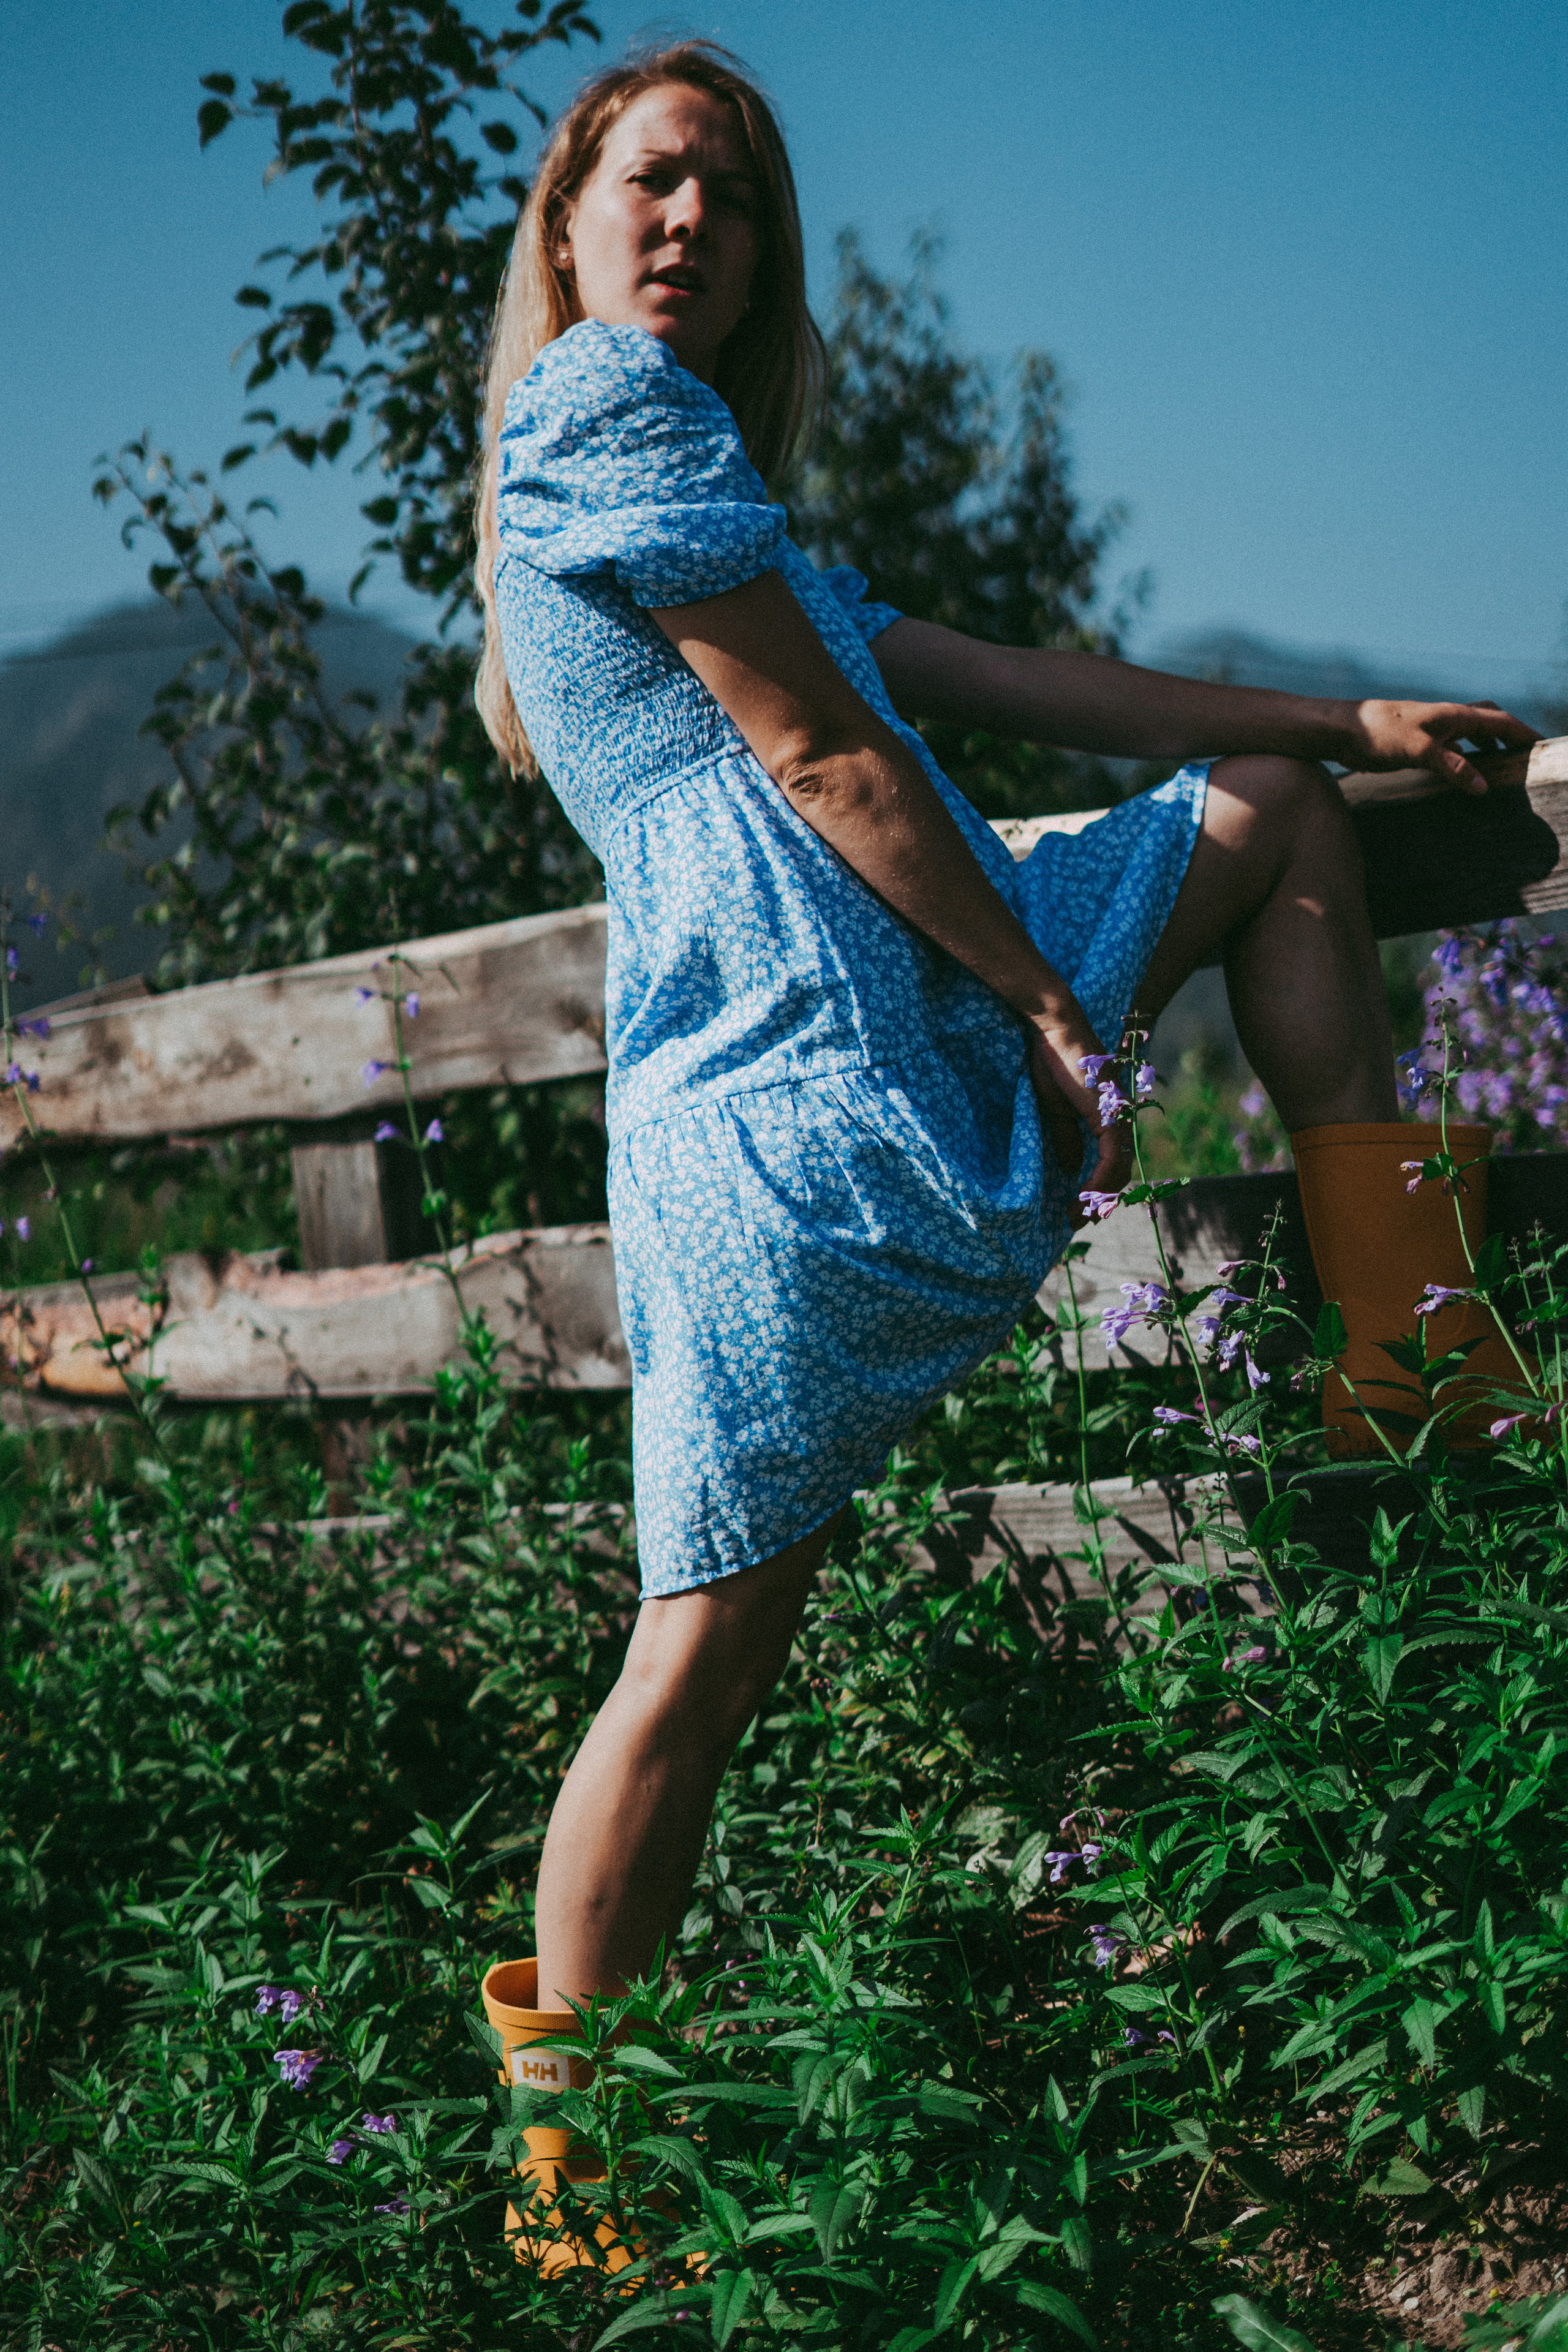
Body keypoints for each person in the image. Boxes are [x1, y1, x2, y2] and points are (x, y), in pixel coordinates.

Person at [470, 39, 1534, 2114]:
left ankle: (1414, 1347)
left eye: (739, 199)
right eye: (656, 184)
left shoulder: (698, 481)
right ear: (569, 226)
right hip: (811, 1065)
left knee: (1278, 804)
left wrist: (1346, 714)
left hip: (825, 1039)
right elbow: (834, 761)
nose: (697, 224)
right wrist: (1045, 1002)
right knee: (689, 1663)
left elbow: (987, 678)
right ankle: (572, 2175)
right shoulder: (598, 411)